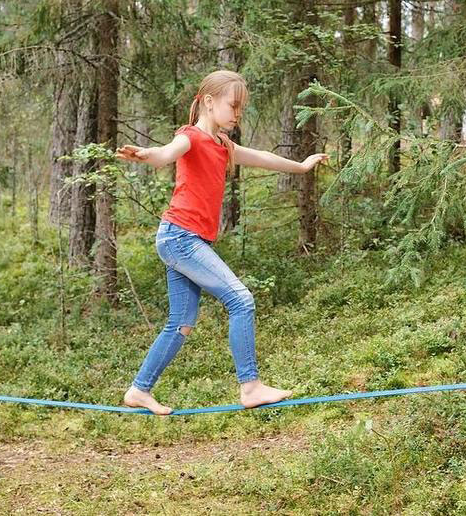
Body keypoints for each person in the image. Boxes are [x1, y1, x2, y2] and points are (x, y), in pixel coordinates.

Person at [115, 70, 328, 415]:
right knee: (241, 299)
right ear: (210, 102)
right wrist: (146, 155)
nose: (237, 114)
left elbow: (262, 156)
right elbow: (167, 153)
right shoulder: (192, 137)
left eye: (241, 109)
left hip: (184, 239)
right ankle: (251, 386)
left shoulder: (223, 145)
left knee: (180, 323)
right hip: (180, 237)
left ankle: (139, 389)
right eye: (233, 106)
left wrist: (302, 167)